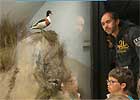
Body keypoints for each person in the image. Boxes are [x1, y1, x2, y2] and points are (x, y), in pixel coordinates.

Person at [101, 11, 140, 98]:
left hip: (136, 79)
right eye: (103, 24)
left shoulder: (133, 32)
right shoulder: (114, 38)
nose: (105, 26)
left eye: (108, 22)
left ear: (117, 21)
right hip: (126, 82)